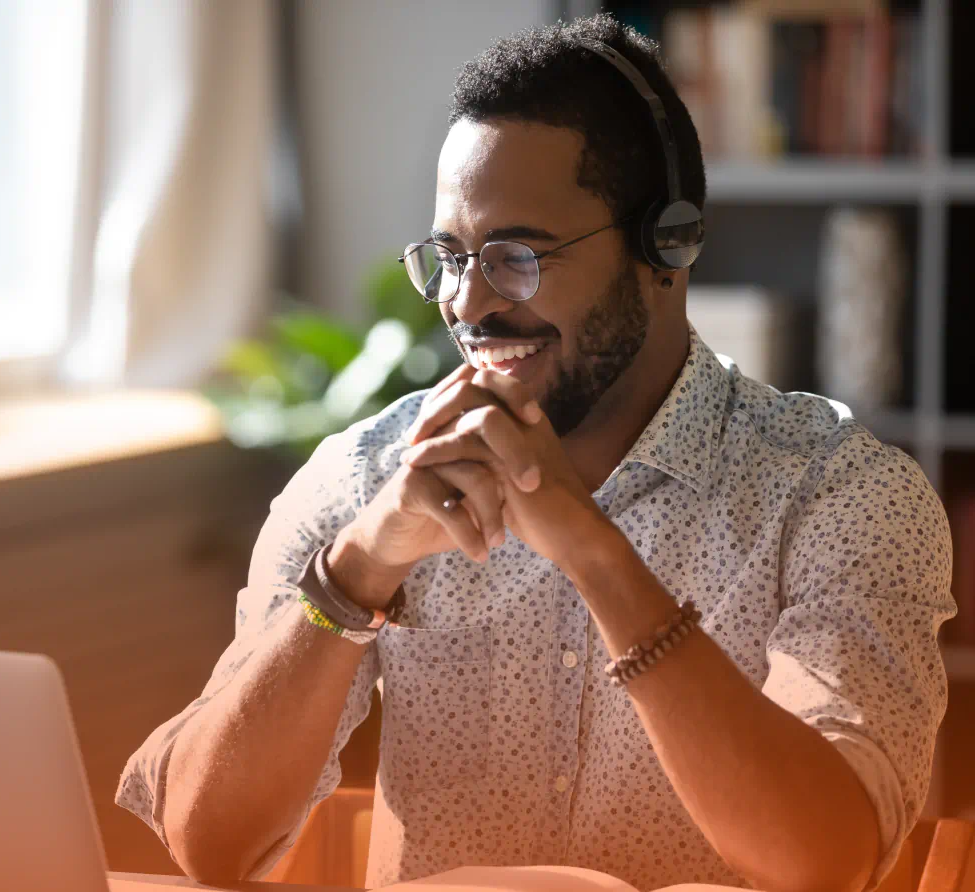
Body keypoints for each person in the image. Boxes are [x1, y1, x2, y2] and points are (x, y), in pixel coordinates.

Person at [116, 14, 955, 892]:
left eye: (518, 255)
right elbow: (206, 845)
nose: (468, 303)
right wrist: (358, 570)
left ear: (667, 245)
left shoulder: (845, 493)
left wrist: (595, 553)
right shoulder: (367, 477)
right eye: (449, 255)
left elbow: (825, 865)